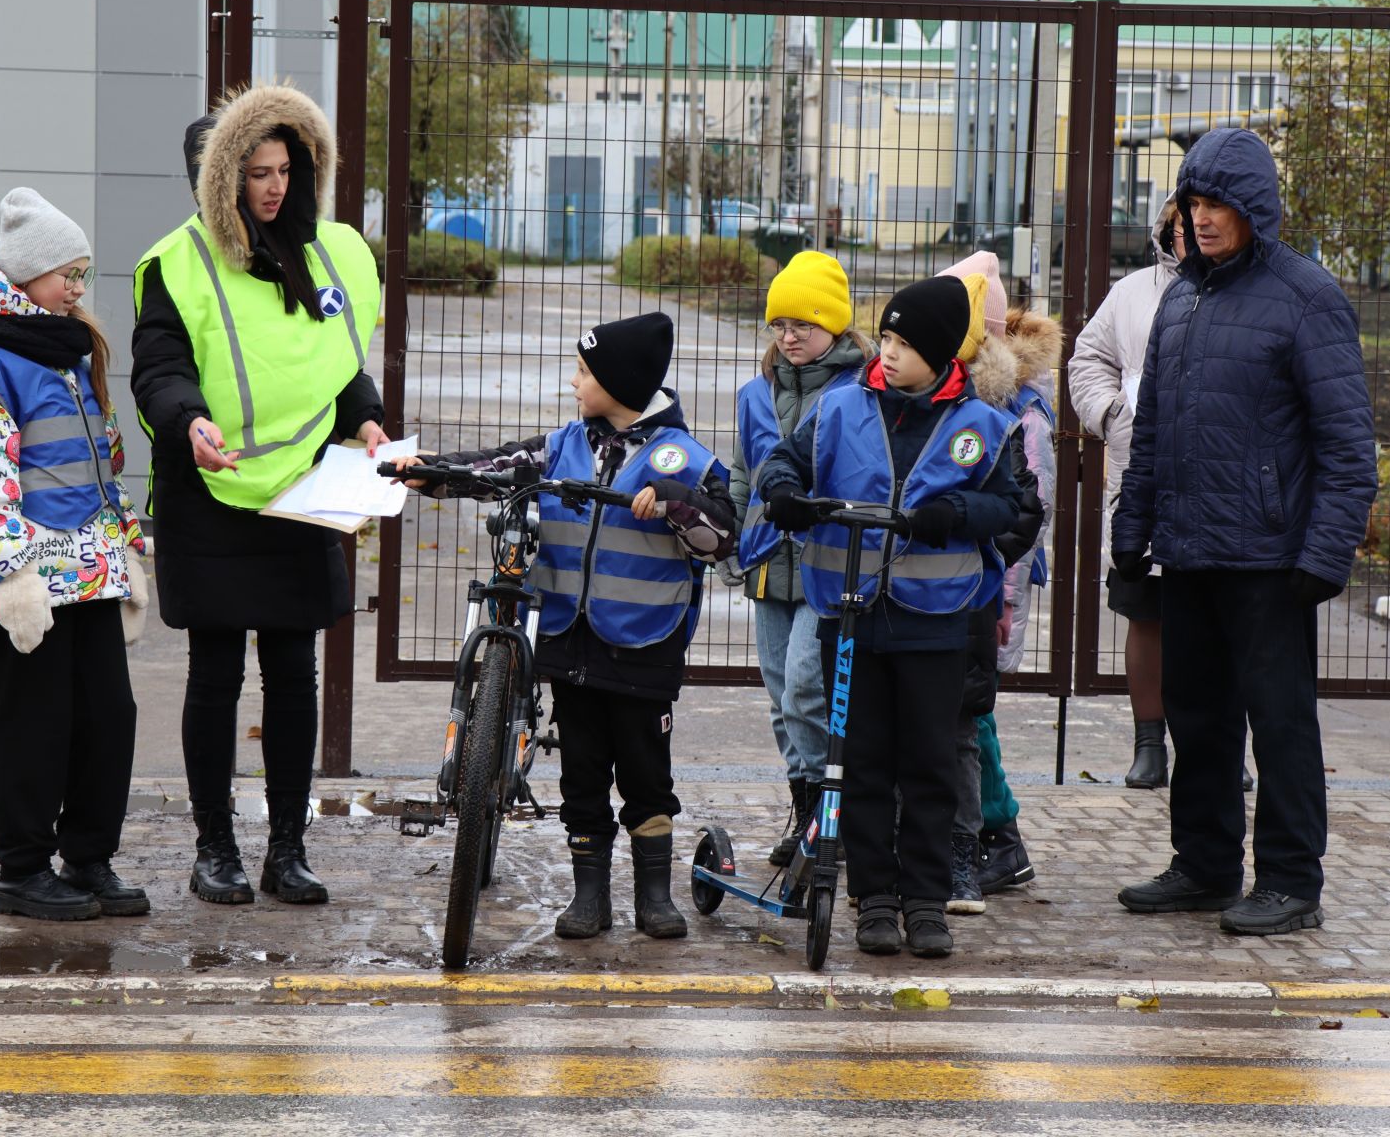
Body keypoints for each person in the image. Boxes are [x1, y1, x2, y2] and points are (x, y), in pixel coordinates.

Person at [394, 312, 737, 942]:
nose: (574, 382)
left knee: (644, 772)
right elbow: (499, 466)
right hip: (570, 640)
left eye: (584, 372)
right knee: (581, 769)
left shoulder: (686, 459)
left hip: (643, 644)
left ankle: (654, 896)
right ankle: (589, 895)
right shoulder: (562, 446)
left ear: (621, 382)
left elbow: (723, 539)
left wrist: (675, 505)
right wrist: (435, 473)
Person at [1112, 127, 1377, 936]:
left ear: (1255, 206)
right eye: (1194, 202)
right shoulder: (1181, 300)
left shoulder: (1307, 297)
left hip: (1270, 561)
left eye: (1220, 202)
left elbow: (1347, 445)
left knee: (1281, 723)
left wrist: (1324, 557)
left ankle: (1292, 880)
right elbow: (1151, 428)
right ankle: (1204, 865)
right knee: (1198, 718)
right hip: (1189, 552)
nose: (1205, 217)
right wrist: (1133, 533)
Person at [131, 83, 385, 908]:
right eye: (256, 174)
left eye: (285, 169)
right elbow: (160, 367)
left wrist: (370, 422)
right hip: (210, 487)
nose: (274, 187)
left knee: (292, 670)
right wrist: (188, 422)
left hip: (301, 487)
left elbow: (333, 361)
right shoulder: (175, 263)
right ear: (220, 182)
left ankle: (287, 849)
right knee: (214, 674)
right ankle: (215, 850)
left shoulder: (326, 252)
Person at [756, 276, 1025, 960]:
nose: (892, 352)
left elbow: (1016, 510)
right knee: (862, 762)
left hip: (934, 622)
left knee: (930, 766)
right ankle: (873, 896)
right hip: (852, 616)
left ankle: (926, 901)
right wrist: (785, 490)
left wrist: (955, 515)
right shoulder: (843, 407)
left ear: (941, 356)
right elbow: (784, 461)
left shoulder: (984, 427)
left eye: (907, 344)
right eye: (889, 339)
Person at [0, 188, 149, 922]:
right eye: (69, 272)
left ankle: (89, 858)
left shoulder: (63, 350)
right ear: (26, 275)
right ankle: (22, 870)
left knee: (106, 716)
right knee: (35, 721)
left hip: (87, 569)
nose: (79, 287)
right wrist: (10, 575)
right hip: (28, 578)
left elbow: (101, 465)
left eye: (83, 272)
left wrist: (124, 554)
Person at [1072, 207, 1256, 794]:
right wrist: (1113, 418)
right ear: (1165, 229)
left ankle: (1228, 748)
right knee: (1146, 615)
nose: (1193, 230)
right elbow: (1086, 360)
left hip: (1226, 491)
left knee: (1228, 624)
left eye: (1206, 216)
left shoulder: (1256, 289)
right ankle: (1149, 743)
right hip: (1143, 484)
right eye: (1182, 220)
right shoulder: (1130, 295)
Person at [725, 251, 870, 868]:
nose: (788, 338)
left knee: (808, 689)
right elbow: (741, 474)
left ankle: (829, 816)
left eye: (802, 326)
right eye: (779, 326)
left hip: (827, 565)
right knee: (782, 696)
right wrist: (730, 539)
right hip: (766, 561)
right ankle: (808, 810)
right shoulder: (756, 394)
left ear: (834, 327)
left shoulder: (858, 391)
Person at [944, 259, 1052, 912]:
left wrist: (999, 601)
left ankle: (1001, 837)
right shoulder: (966, 392)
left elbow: (1023, 513)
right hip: (961, 586)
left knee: (970, 713)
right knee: (962, 712)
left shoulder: (1016, 409)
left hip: (991, 590)